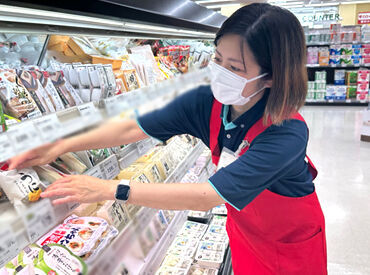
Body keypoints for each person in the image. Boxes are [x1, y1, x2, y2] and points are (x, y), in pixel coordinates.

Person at [8, 3, 327, 274]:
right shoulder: (209, 103)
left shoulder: (286, 133)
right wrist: (59, 145)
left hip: (289, 245)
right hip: (243, 231)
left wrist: (110, 189)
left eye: (234, 67)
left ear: (271, 76)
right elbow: (133, 127)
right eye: (217, 60)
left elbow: (208, 195)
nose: (220, 72)